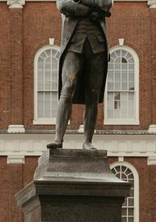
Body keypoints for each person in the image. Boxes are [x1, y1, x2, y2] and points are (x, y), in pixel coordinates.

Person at [47, 0, 113, 150]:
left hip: (98, 44)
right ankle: (58, 139)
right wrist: (91, 11)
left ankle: (87, 142)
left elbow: (106, 3)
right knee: (67, 88)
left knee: (93, 95)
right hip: (73, 43)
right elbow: (64, 6)